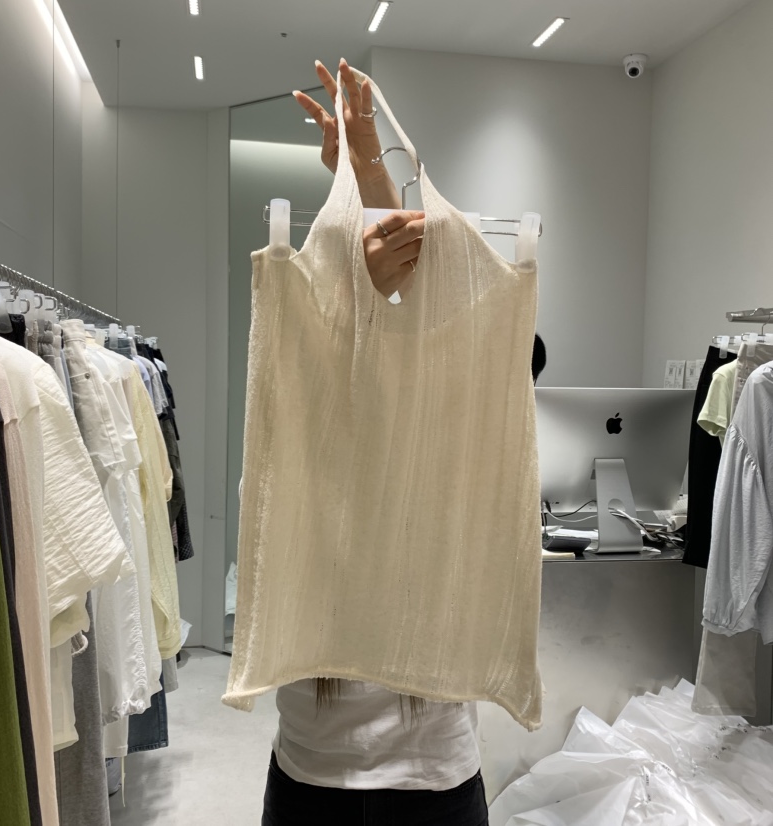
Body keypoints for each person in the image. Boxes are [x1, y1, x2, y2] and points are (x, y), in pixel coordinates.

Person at [259, 59, 542, 826]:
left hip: (416, 775)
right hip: (332, 772)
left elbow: (424, 324)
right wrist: (359, 184)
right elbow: (358, 333)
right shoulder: (306, 412)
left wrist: (367, 170)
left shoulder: (449, 413)